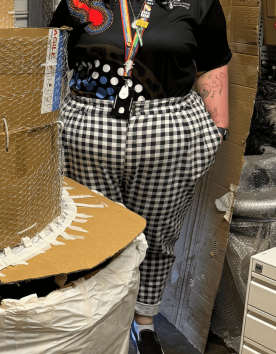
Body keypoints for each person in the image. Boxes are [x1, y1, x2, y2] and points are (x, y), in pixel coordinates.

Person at [50, 0, 231, 352]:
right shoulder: (77, 2)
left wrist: (218, 128)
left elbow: (212, 62)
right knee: (93, 235)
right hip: (90, 129)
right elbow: (54, 62)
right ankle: (99, 320)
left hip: (168, 129)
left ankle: (143, 320)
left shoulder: (200, 2)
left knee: (158, 233)